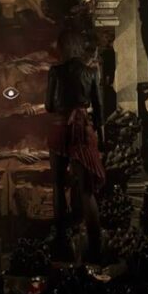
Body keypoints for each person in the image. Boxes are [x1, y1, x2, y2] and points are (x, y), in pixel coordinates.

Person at [46, 29, 105, 262]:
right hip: (82, 129)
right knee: (86, 190)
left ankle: (61, 242)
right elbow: (99, 109)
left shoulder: (55, 71)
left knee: (58, 186)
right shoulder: (91, 72)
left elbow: (49, 105)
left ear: (62, 47)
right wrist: (101, 137)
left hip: (60, 127)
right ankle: (95, 247)